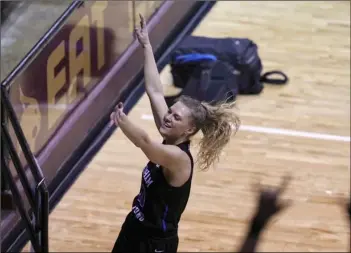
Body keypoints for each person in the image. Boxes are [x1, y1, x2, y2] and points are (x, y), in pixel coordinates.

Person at [110, 14, 240, 253]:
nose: (168, 117)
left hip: (155, 243)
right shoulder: (171, 133)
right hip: (133, 229)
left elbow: (145, 143)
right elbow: (155, 91)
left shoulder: (179, 159)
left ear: (189, 130)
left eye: (176, 117)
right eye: (170, 112)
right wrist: (147, 45)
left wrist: (122, 120)